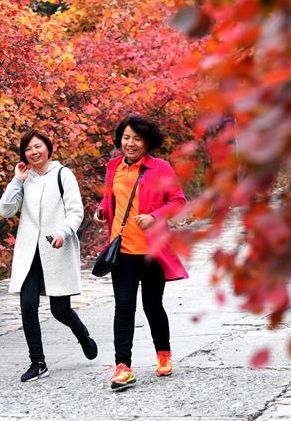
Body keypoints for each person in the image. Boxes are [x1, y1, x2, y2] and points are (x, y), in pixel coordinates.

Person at [94, 115, 188, 391]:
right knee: (123, 308)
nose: (130, 143)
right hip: (121, 250)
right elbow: (112, 197)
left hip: (152, 251)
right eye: (126, 137)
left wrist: (155, 216)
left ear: (147, 142)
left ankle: (163, 354)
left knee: (151, 305)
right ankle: (122, 367)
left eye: (136, 138)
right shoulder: (114, 167)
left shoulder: (160, 168)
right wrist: (102, 209)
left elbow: (179, 201)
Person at [0, 129, 97, 382]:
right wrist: (17, 180)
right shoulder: (25, 179)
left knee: (59, 310)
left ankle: (82, 334)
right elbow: (4, 211)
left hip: (56, 249)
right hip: (29, 253)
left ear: (48, 148)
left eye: (38, 146)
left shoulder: (63, 174)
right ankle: (38, 363)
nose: (34, 152)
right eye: (29, 149)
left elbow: (76, 211)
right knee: (28, 306)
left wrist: (63, 233)